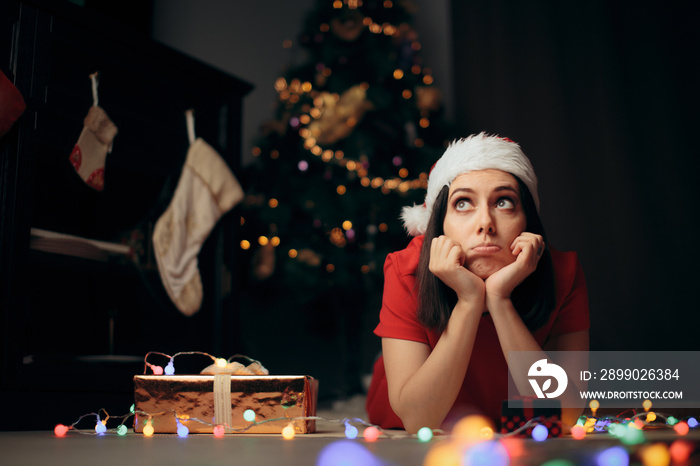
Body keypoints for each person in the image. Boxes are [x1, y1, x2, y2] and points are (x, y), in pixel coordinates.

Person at [365, 133, 590, 433]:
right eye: (462, 203)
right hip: (426, 429)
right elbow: (419, 421)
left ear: (527, 222)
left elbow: (564, 415)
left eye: (504, 202)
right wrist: (469, 301)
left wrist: (499, 298)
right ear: (438, 224)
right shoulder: (406, 269)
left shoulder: (562, 272)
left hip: (512, 422)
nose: (485, 222)